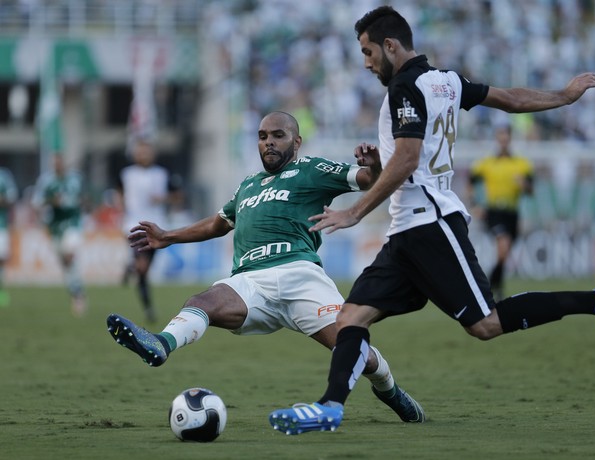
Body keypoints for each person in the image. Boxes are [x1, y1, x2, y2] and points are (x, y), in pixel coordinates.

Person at [269, 5, 595, 435]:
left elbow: (409, 160)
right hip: (406, 232)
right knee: (349, 319)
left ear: (391, 45)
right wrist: (563, 95)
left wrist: (354, 210)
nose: (367, 63)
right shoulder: (446, 81)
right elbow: (510, 99)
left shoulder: (404, 88)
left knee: (485, 325)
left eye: (369, 53)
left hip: (431, 224)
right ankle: (329, 408)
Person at [106, 111, 425, 426]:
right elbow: (218, 224)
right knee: (202, 302)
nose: (268, 142)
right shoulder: (247, 185)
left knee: (360, 354)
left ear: (296, 141)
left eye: (277, 135)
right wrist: (167, 236)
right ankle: (161, 344)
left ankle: (392, 392)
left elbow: (368, 179)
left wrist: (376, 164)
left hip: (301, 277)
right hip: (250, 281)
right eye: (262, 137)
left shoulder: (311, 169)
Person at [116, 139, 180, 323]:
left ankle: (130, 268)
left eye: (146, 151)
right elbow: (118, 192)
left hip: (156, 228)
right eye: (140, 151)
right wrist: (121, 208)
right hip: (133, 226)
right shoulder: (126, 174)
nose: (143, 155)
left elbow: (178, 196)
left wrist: (163, 199)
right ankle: (149, 309)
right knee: (142, 268)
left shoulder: (162, 174)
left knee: (144, 269)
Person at [468, 125, 533, 300]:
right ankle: (486, 287)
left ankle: (495, 289)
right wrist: (475, 205)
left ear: (510, 139)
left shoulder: (521, 164)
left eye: (506, 137)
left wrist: (524, 185)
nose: (503, 140)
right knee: (503, 248)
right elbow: (471, 180)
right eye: (500, 137)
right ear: (497, 139)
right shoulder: (488, 163)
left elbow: (531, 190)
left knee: (504, 255)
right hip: (494, 211)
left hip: (512, 213)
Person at [32, 154, 87, 316]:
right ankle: (77, 292)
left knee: (70, 256)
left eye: (60, 162)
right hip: (55, 226)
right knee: (66, 264)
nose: (57, 165)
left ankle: (78, 295)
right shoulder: (46, 181)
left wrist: (81, 203)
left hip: (73, 223)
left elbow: (85, 198)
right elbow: (36, 203)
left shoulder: (76, 179)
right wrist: (51, 202)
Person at [0, 167, 18, 307]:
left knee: (1, 259)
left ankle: (1, 291)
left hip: (1, 225)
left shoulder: (4, 176)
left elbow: (12, 198)